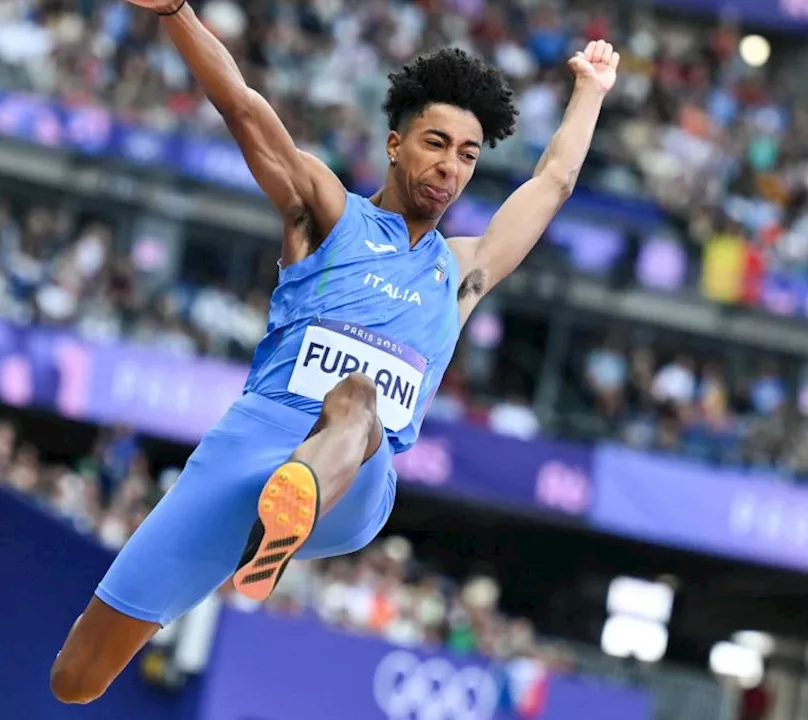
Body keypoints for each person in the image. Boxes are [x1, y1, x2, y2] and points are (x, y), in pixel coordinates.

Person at [50, 0, 619, 705]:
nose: (450, 167)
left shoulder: (463, 271)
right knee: (77, 677)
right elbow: (242, 108)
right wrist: (175, 13)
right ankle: (267, 521)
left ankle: (289, 514)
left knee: (356, 400)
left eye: (468, 156)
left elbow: (553, 181)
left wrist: (590, 92)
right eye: (436, 143)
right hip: (246, 451)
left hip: (353, 478)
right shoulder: (328, 214)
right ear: (394, 144)